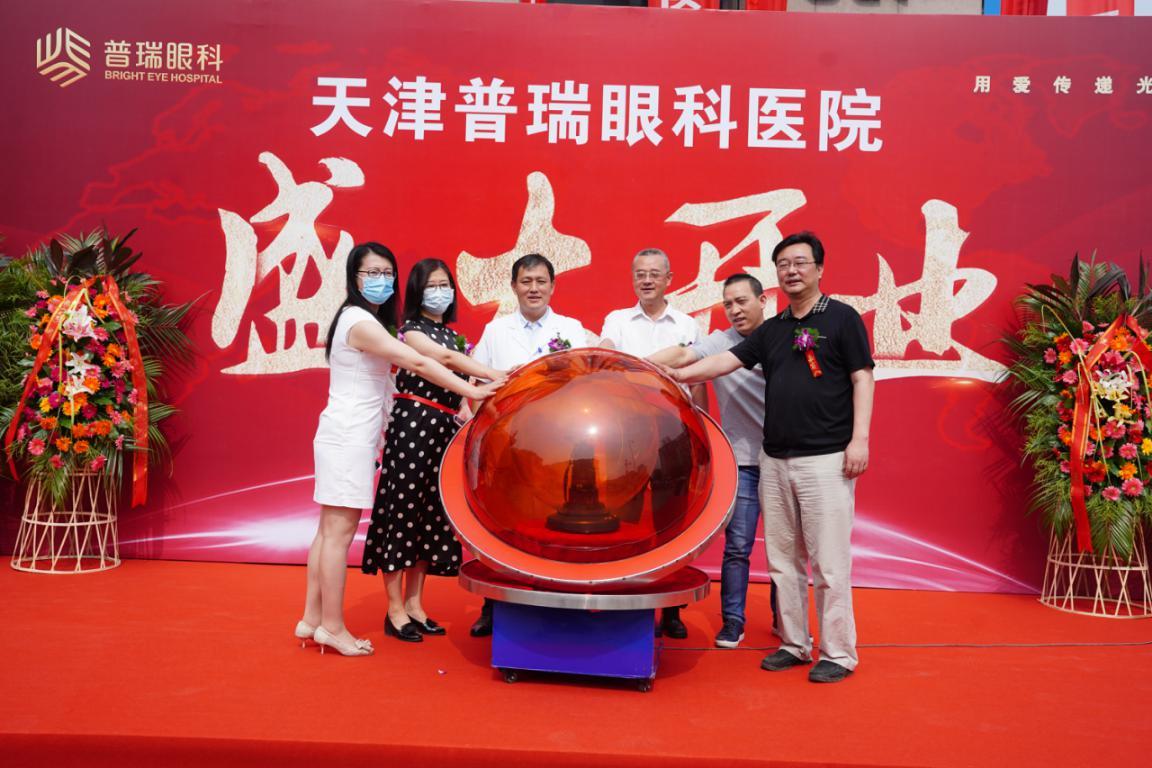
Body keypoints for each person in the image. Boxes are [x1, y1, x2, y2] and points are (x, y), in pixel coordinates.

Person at [667, 232, 874, 683]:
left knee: (829, 563)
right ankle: (795, 644)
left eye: (800, 262)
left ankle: (838, 653)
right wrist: (672, 375)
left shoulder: (842, 318)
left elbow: (862, 377)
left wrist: (860, 439)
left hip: (826, 459)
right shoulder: (773, 330)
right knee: (782, 561)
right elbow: (724, 362)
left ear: (819, 268)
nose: (791, 271)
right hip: (773, 461)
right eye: (783, 264)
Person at [298, 243, 501, 656]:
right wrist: (477, 388)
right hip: (349, 436)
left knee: (327, 532)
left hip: (347, 434)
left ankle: (312, 618)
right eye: (372, 273)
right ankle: (333, 627)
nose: (382, 281)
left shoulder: (363, 320)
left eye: (387, 273)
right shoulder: (360, 321)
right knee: (337, 536)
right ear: (354, 278)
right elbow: (421, 363)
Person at [361, 258, 504, 642]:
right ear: (416, 293)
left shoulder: (453, 336)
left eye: (445, 286)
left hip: (443, 430)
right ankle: (394, 609)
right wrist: (491, 374)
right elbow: (443, 360)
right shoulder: (411, 331)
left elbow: (459, 371)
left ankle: (415, 605)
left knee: (428, 515)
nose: (439, 293)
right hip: (414, 425)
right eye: (431, 287)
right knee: (402, 511)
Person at [467, 252, 595, 637]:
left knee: (554, 527)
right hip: (507, 445)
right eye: (526, 281)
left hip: (559, 448)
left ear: (553, 286)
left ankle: (557, 603)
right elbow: (477, 385)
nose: (533, 288)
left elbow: (585, 381)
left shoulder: (571, 329)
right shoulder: (496, 330)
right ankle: (494, 605)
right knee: (502, 524)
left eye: (541, 281)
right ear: (513, 287)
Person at [649, 273, 778, 649]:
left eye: (742, 301)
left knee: (785, 550)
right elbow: (682, 354)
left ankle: (786, 619)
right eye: (728, 304)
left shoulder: (781, 337)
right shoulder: (721, 342)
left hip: (782, 458)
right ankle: (733, 621)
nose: (735, 309)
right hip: (744, 462)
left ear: (763, 301)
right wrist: (632, 364)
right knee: (737, 546)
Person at [600, 247, 703, 639]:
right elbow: (608, 357)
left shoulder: (688, 325)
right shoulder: (617, 320)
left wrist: (702, 431)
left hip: (673, 429)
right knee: (621, 515)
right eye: (640, 273)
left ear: (669, 279)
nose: (646, 280)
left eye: (654, 274)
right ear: (633, 278)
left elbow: (696, 379)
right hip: (625, 429)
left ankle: (671, 609)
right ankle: (618, 601)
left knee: (670, 519)